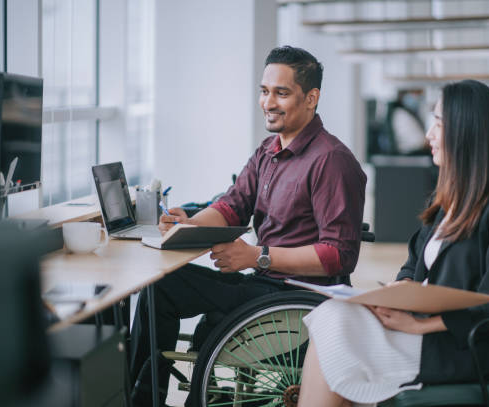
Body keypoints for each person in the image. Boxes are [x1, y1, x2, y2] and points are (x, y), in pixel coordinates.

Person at [130, 45, 367, 406]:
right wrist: (189, 224)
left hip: (297, 300)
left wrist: (258, 256)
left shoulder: (332, 161)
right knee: (159, 285)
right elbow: (232, 205)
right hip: (261, 286)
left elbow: (339, 255)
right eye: (264, 90)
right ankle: (143, 399)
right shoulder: (268, 150)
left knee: (166, 291)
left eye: (281, 93)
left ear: (311, 98)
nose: (268, 102)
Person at [297, 80, 489, 407]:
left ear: (466, 131)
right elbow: (414, 263)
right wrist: (402, 289)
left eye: (438, 123)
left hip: (475, 345)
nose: (428, 135)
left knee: (337, 330)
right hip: (432, 330)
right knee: (334, 314)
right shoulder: (448, 203)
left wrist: (418, 325)